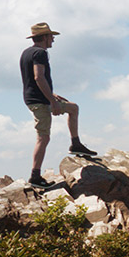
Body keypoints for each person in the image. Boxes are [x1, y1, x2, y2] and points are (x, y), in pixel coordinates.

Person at [21, 22, 96, 188]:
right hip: (40, 101)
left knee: (73, 108)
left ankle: (76, 144)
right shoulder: (40, 53)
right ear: (45, 37)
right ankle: (35, 176)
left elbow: (32, 80)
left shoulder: (27, 52)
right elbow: (38, 77)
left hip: (37, 98)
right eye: (51, 36)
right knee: (43, 137)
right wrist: (52, 101)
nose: (53, 39)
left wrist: (52, 95)